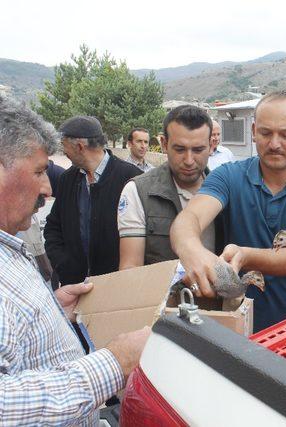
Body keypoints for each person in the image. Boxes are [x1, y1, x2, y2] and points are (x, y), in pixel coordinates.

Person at [0, 95, 149, 425]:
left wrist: (51, 312)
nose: (46, 187)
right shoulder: (68, 181)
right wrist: (114, 364)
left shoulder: (129, 179)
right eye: (39, 171)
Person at [170, 91, 286, 332]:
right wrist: (190, 249)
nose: (274, 144)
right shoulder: (228, 176)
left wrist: (243, 255)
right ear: (253, 131)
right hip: (236, 322)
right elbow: (190, 217)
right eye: (265, 133)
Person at [44, 116, 142, 285]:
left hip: (116, 288)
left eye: (64, 145)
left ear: (80, 146)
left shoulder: (132, 179)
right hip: (74, 285)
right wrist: (63, 264)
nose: (64, 152)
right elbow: (53, 227)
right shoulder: (67, 180)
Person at [118, 105, 218, 268]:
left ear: (211, 144)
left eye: (198, 150)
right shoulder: (137, 192)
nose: (189, 160)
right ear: (164, 144)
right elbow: (130, 268)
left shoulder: (227, 190)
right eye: (180, 149)